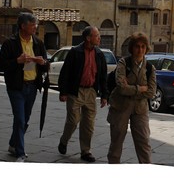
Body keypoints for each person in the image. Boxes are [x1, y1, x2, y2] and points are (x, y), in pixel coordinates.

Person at [0, 12, 50, 162]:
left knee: (25, 119)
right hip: (16, 87)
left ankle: (13, 144)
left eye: (35, 25)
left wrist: (43, 63)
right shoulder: (10, 43)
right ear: (23, 26)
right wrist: (17, 61)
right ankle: (20, 153)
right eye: (32, 25)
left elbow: (46, 64)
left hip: (32, 86)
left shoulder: (38, 43)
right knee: (20, 119)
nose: (35, 27)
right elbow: (2, 65)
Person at [57, 26, 109, 163]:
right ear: (88, 38)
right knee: (73, 121)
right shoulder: (75, 52)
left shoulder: (99, 54)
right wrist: (63, 92)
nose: (99, 38)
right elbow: (65, 73)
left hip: (91, 92)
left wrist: (104, 95)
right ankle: (64, 141)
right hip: (76, 91)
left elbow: (103, 75)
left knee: (89, 124)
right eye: (97, 35)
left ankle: (85, 151)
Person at [108, 33, 155, 164]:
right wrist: (140, 88)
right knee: (116, 143)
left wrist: (131, 87)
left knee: (144, 142)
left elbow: (151, 92)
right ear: (132, 48)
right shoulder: (124, 63)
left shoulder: (150, 68)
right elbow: (122, 88)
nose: (140, 50)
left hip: (140, 109)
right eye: (137, 46)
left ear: (146, 48)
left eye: (143, 47)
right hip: (120, 106)